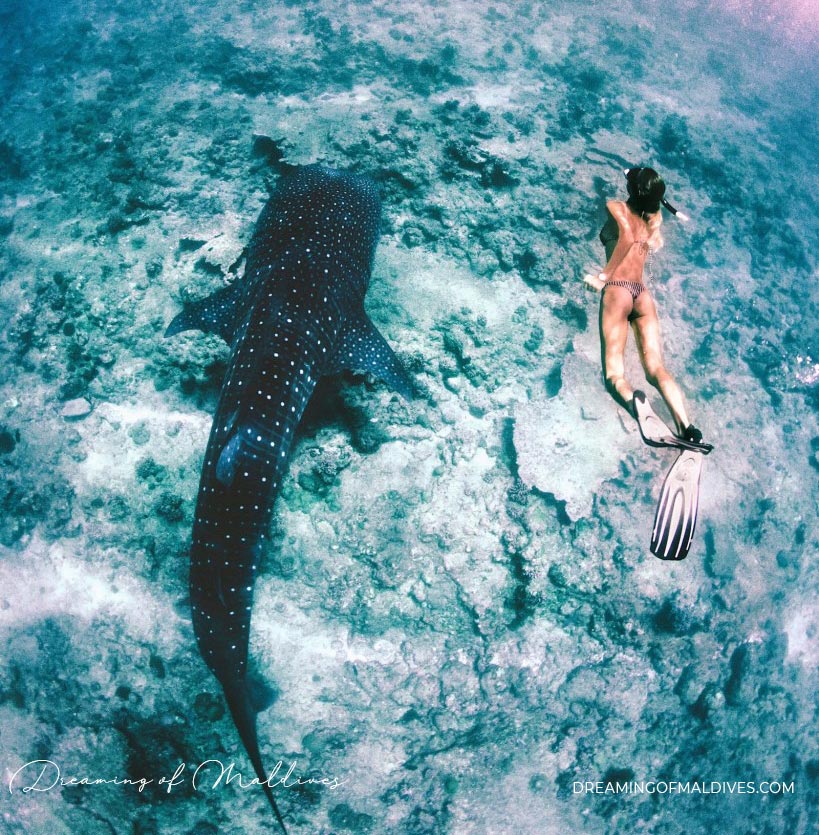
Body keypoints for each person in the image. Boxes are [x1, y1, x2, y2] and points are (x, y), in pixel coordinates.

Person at [584, 167, 705, 445]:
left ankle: (638, 407)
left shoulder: (615, 207)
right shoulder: (652, 219)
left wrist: (602, 278)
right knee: (656, 369)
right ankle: (688, 428)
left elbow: (626, 237)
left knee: (614, 376)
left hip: (618, 290)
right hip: (642, 295)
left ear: (632, 189)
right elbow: (647, 214)